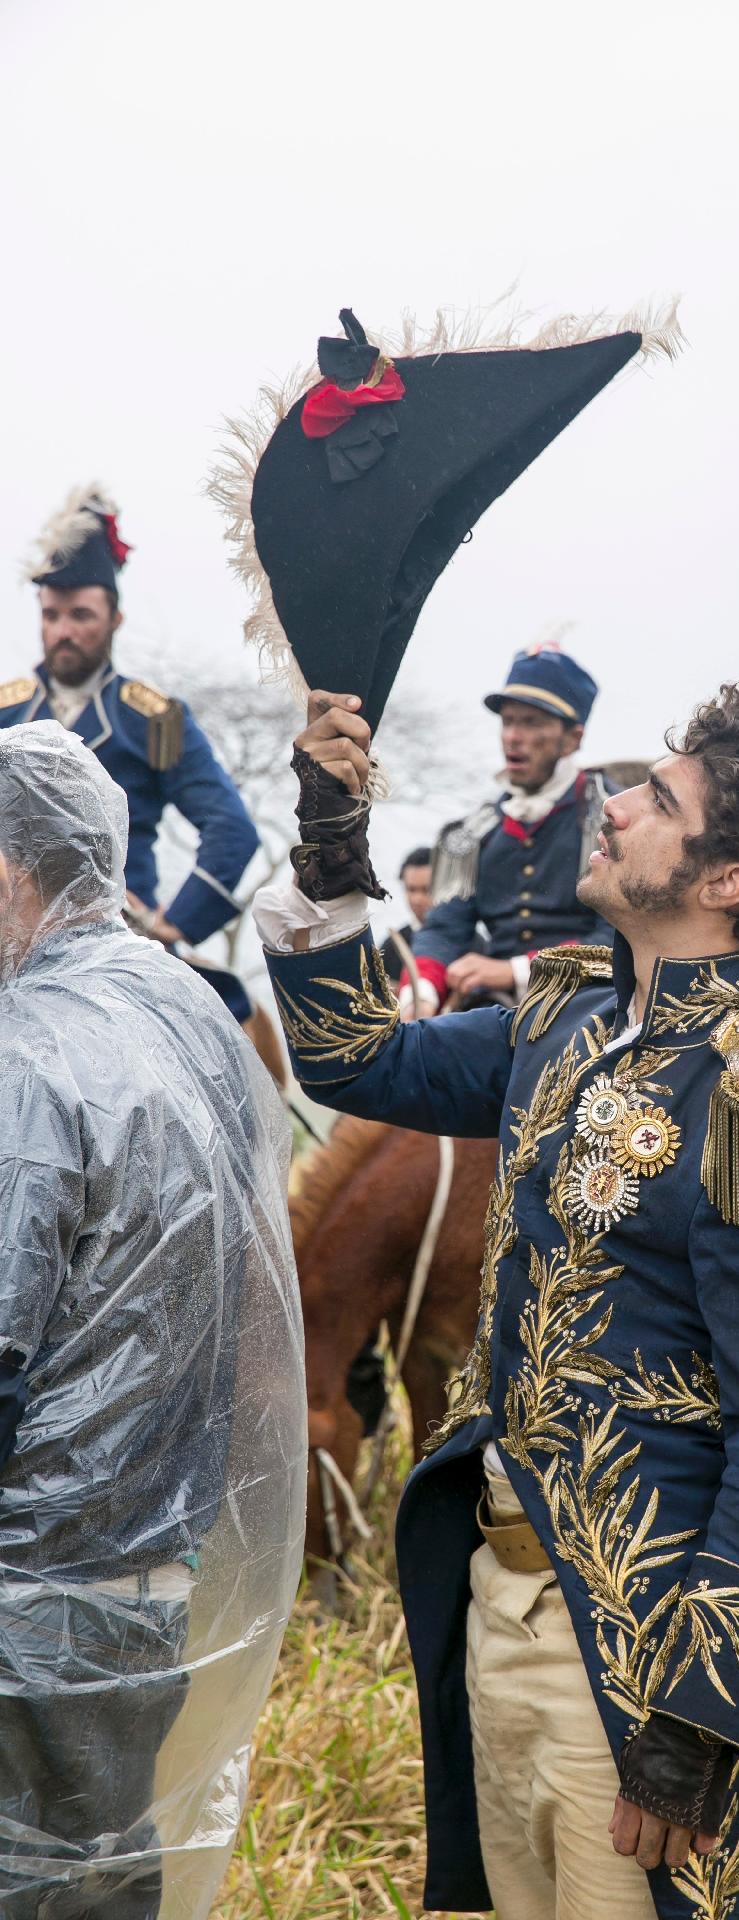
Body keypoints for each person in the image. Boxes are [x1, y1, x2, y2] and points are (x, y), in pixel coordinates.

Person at [256, 676, 739, 1920]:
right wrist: (333, 845)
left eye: (657, 799)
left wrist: (697, 1728)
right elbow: (355, 1055)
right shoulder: (565, 1016)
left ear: (726, 883)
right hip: (496, 1604)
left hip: (639, 1658)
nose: (608, 805)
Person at [0, 723, 305, 1918]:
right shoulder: (190, 1013)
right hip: (150, 1570)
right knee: (99, 1872)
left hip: (27, 1583)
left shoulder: (27, 1048)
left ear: (12, 871)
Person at [1, 486, 261, 1023]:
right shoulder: (7, 714)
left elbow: (231, 828)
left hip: (116, 929)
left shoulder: (152, 720)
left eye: (81, 615)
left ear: (115, 618)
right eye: (51, 616)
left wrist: (177, 923)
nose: (63, 632)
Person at [405, 642, 614, 1016]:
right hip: (493, 1011)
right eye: (508, 721)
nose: (513, 736)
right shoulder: (473, 831)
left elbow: (619, 934)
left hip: (592, 1004)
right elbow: (444, 929)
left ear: (573, 738)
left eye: (532, 722)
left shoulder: (612, 818)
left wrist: (515, 970)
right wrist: (421, 994)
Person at [378, 843, 435, 983]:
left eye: (425, 890)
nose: (417, 899)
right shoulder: (391, 947)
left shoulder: (472, 943)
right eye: (411, 889)